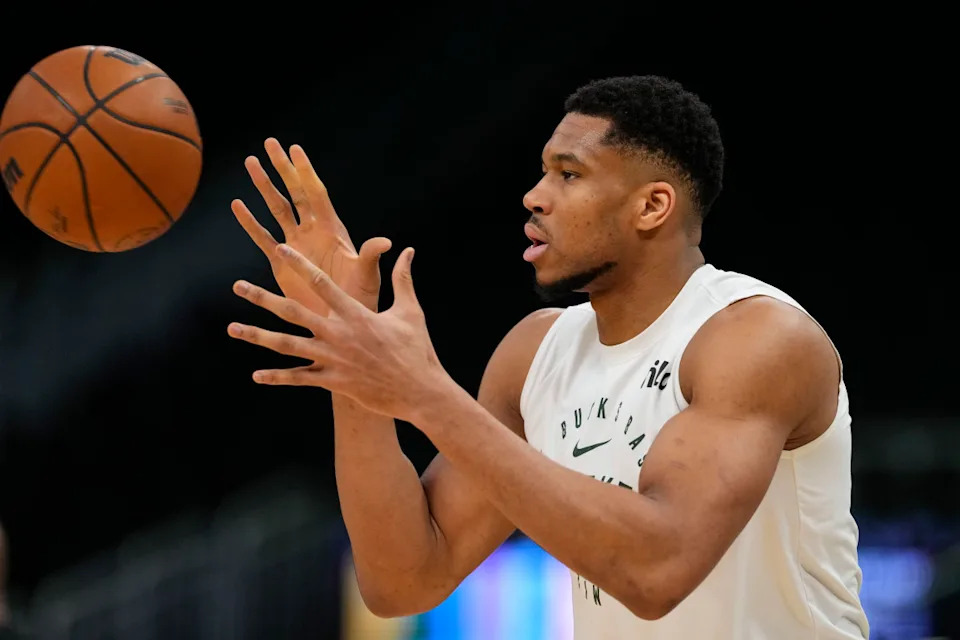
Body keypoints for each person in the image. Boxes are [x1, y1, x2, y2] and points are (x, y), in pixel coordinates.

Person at [227, 75, 869, 639]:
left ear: (652, 206)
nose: (535, 196)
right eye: (542, 172)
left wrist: (426, 393)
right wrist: (357, 363)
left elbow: (657, 569)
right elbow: (403, 581)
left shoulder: (756, 337)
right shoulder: (537, 352)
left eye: (569, 174)